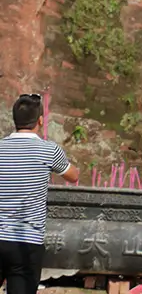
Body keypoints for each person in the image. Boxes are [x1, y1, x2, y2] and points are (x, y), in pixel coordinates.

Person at [0, 94, 79, 294]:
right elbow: (73, 176)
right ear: (41, 121)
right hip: (27, 242)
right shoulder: (49, 151)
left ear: (14, 120)